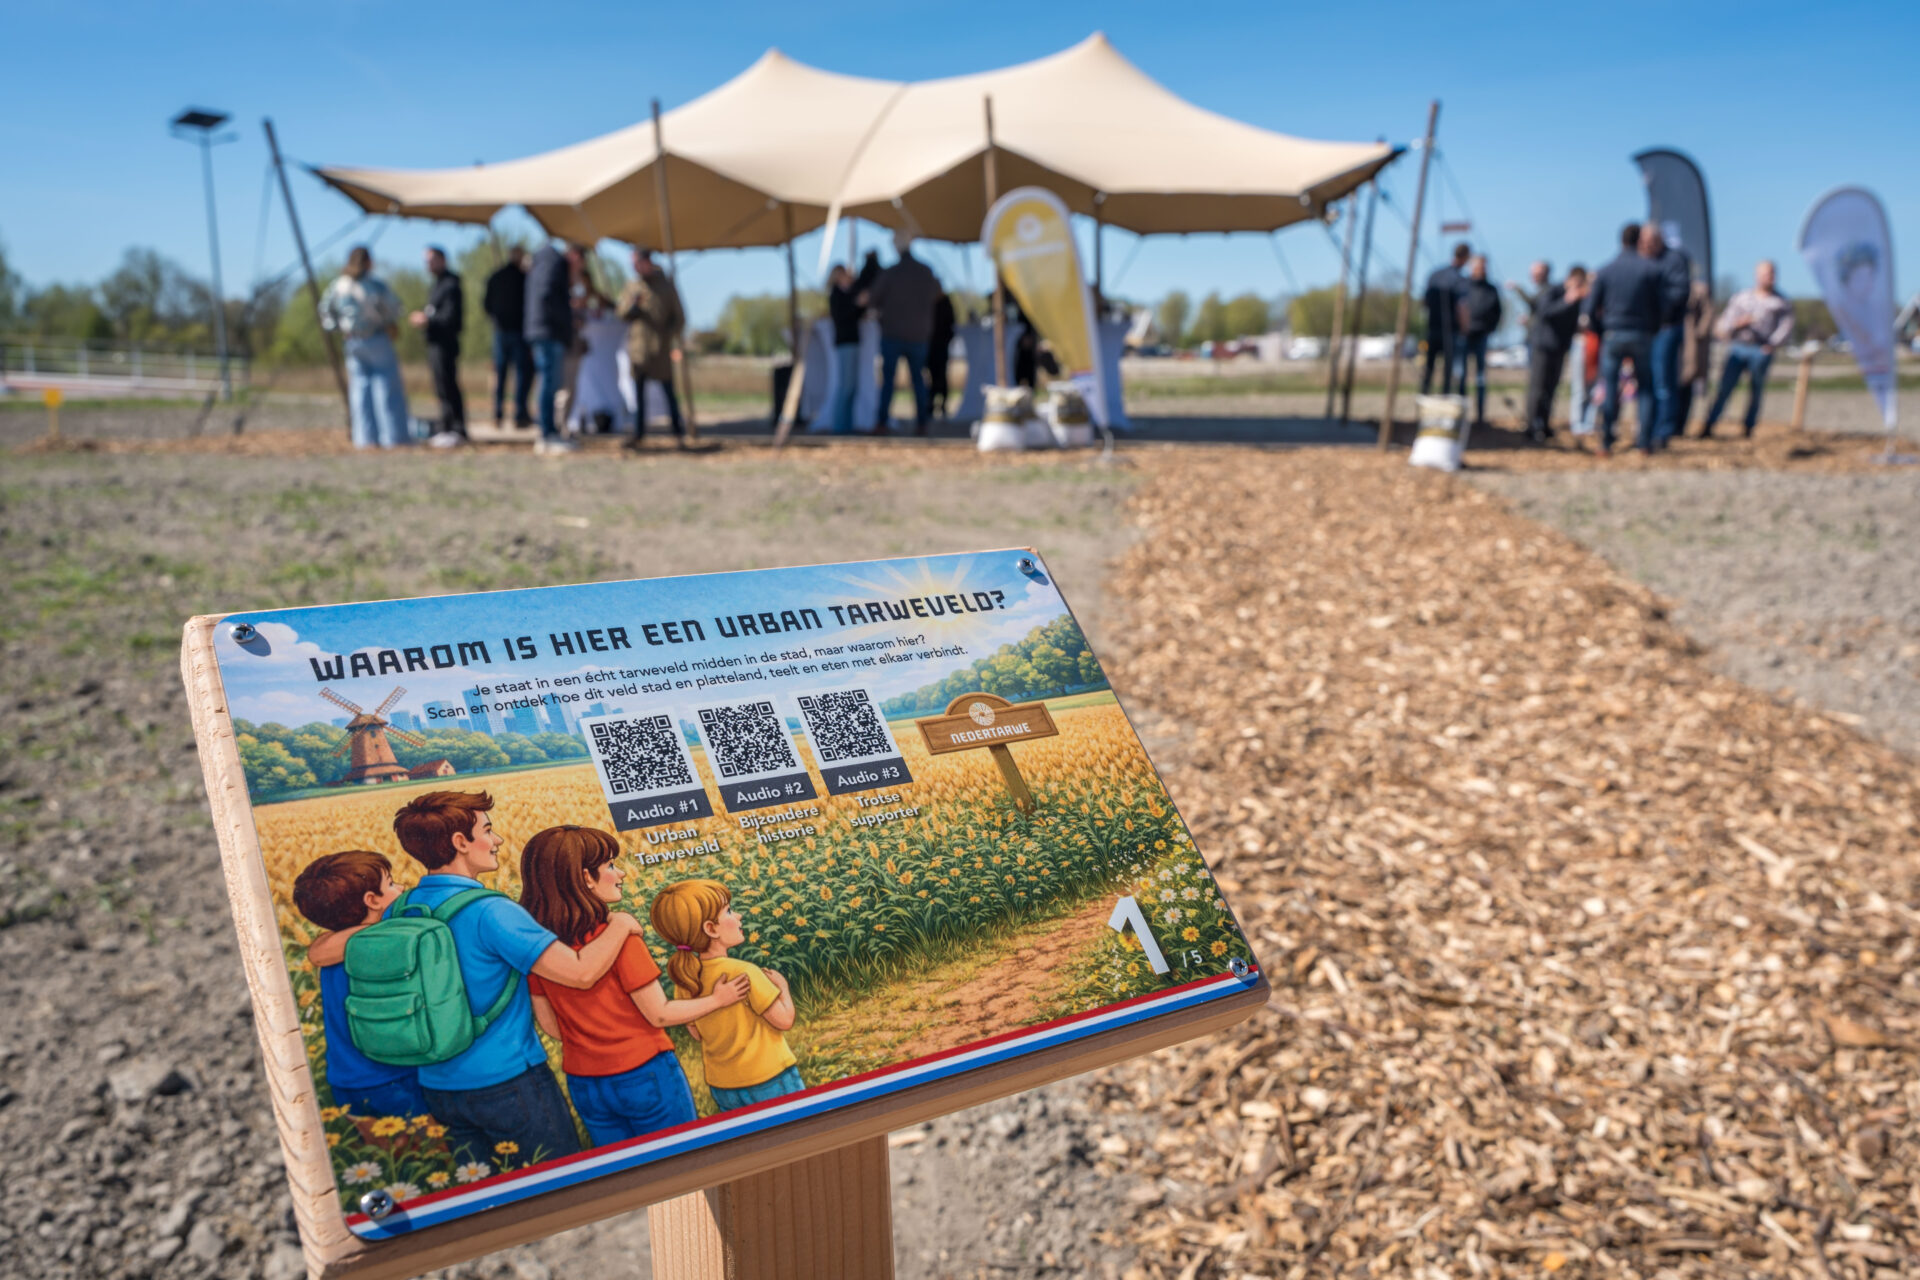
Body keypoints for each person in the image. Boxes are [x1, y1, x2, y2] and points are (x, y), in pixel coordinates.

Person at [388, 791, 645, 1169]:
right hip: (507, 1081)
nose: (497, 841)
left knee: (484, 1185)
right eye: (487, 831)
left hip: (437, 1085)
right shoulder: (492, 912)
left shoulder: (401, 908)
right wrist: (620, 925)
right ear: (460, 842)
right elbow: (580, 973)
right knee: (560, 1181)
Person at [518, 827, 749, 1146]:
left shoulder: (543, 952)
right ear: (586, 878)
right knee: (681, 1155)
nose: (621, 873)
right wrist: (718, 999)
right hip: (643, 1072)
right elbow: (659, 1014)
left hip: (585, 1083)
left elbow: (551, 1026)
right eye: (611, 866)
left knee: (626, 1163)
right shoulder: (620, 938)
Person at [649, 879, 804, 1112]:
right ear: (711, 929)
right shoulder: (744, 972)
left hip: (723, 1086)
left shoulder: (686, 981)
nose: (739, 916)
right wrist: (783, 989)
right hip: (768, 1076)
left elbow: (697, 1034)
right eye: (729, 911)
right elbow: (784, 1021)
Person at [292, 851, 426, 1121]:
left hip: (346, 1081)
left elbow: (317, 952)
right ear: (372, 900)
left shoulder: (334, 948)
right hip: (393, 1077)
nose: (401, 887)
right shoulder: (386, 945)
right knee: (429, 1143)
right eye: (391, 884)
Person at [1583, 222, 1667, 455]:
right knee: (1646, 388)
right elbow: (1661, 306)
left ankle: (1607, 441)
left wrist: (1602, 330)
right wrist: (1652, 329)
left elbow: (1589, 309)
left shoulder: (1605, 271)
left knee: (1610, 387)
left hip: (1613, 334)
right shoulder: (1651, 270)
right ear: (1639, 240)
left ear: (1620, 240)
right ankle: (1644, 442)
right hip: (1642, 333)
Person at [318, 246, 410, 449]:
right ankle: (394, 438)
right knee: (386, 387)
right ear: (368, 262)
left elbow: (325, 311)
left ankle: (365, 439)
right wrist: (388, 322)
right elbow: (395, 308)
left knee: (360, 390)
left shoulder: (339, 285)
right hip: (377, 338)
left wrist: (338, 327)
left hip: (352, 341)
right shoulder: (374, 285)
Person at [1702, 259, 1795, 439]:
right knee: (1725, 387)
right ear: (1757, 276)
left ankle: (1748, 427)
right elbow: (1726, 322)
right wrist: (1737, 324)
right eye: (1766, 274)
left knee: (1756, 390)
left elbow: (1786, 327)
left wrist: (1772, 345)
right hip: (1738, 347)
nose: (1770, 277)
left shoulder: (1781, 302)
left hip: (1761, 350)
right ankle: (1710, 424)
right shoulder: (1742, 298)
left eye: (1772, 273)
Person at [864, 231, 941, 433]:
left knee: (889, 380)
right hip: (919, 334)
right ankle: (922, 423)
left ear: (896, 248)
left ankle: (882, 422)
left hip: (893, 333)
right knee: (919, 379)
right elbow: (937, 293)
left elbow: (873, 298)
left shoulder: (891, 272)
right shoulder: (925, 271)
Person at [619, 248, 686, 447]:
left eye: (637, 263)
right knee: (638, 395)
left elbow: (679, 318)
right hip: (639, 349)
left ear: (647, 262)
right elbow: (621, 313)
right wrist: (633, 306)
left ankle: (678, 434)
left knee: (668, 393)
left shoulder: (665, 286)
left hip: (660, 349)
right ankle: (638, 434)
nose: (634, 267)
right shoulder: (633, 286)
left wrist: (667, 336)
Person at [525, 241, 580, 455]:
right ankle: (546, 434)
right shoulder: (553, 262)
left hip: (544, 330)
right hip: (548, 331)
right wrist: (565, 320)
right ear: (575, 256)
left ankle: (550, 431)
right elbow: (546, 294)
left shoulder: (544, 260)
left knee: (550, 382)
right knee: (549, 383)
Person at [1640, 224, 1692, 448]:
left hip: (1666, 328)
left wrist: (1656, 311)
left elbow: (1679, 293)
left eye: (1650, 242)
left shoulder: (1673, 260)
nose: (1646, 246)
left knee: (1663, 382)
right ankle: (1647, 428)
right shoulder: (1644, 259)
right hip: (1646, 329)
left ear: (1659, 240)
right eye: (1643, 243)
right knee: (1648, 381)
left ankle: (1663, 431)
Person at [410, 246, 466, 447]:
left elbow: (451, 318)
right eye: (426, 261)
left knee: (448, 385)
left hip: (445, 343)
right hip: (435, 343)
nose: (428, 264)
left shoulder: (450, 285)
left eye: (431, 260)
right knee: (441, 386)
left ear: (442, 260)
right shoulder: (436, 284)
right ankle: (447, 426)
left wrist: (427, 320)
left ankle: (455, 429)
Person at [1522, 266, 1586, 442]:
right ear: (1570, 279)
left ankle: (1544, 423)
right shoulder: (1553, 291)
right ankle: (1532, 426)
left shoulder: (1576, 299)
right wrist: (1566, 301)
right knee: (1537, 388)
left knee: (1551, 388)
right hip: (1542, 346)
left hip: (1560, 347)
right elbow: (1544, 312)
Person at [484, 248, 533, 430]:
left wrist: (498, 320)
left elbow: (487, 305)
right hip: (518, 333)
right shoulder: (524, 278)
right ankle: (519, 415)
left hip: (501, 332)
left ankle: (498, 414)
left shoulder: (496, 277)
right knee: (520, 375)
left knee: (501, 375)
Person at [1455, 256, 1502, 427]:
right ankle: (1460, 415)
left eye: (1484, 267)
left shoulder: (1491, 289)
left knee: (1480, 378)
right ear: (1472, 268)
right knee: (1460, 375)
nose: (1482, 270)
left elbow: (1497, 311)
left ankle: (1480, 416)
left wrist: (1490, 328)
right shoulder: (1463, 285)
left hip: (1482, 336)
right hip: (1463, 336)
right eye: (1479, 267)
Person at [1420, 242, 1470, 395]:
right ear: (1465, 257)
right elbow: (1461, 307)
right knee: (1448, 368)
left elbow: (1425, 302)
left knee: (1429, 365)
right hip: (1450, 330)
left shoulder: (1435, 274)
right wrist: (1464, 328)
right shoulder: (1460, 280)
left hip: (1432, 327)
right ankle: (1445, 396)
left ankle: (1424, 394)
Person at [826, 265, 862, 433]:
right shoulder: (836, 295)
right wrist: (857, 304)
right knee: (846, 386)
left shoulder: (848, 293)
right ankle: (840, 427)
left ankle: (847, 425)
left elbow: (856, 313)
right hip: (845, 342)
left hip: (852, 342)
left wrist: (859, 304)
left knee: (851, 386)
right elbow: (844, 316)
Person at [1675, 279, 1714, 435]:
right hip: (1671, 343)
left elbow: (1708, 313)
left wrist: (1699, 333)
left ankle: (1680, 425)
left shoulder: (1698, 290)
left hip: (1690, 345)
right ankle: (1668, 424)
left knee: (1686, 383)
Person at [926, 289, 956, 420]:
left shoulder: (944, 302)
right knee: (931, 376)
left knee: (941, 376)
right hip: (930, 344)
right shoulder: (928, 300)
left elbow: (951, 324)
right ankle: (931, 404)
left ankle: (942, 405)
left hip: (941, 344)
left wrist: (946, 339)